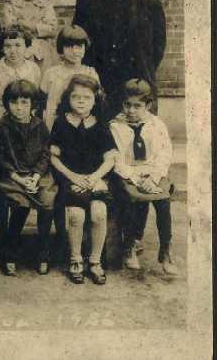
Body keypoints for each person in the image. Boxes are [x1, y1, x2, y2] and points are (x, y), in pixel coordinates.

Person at [72, 0, 167, 120]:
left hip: (138, 86)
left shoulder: (150, 1)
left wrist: (141, 76)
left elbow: (158, 47)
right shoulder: (87, 1)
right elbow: (79, 43)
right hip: (100, 86)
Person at [50, 75, 116, 285]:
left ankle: (95, 261)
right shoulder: (61, 123)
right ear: (68, 98)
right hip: (70, 178)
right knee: (76, 215)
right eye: (75, 96)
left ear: (95, 100)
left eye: (86, 97)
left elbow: (110, 159)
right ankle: (75, 259)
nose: (80, 101)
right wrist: (73, 177)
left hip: (95, 179)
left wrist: (95, 178)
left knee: (99, 212)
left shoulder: (101, 125)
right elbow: (54, 157)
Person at [109, 78, 178, 275]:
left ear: (148, 105)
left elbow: (165, 154)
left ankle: (166, 250)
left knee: (163, 201)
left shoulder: (157, 125)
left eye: (137, 106)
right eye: (127, 105)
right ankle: (130, 245)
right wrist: (137, 180)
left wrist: (153, 178)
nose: (131, 110)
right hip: (129, 173)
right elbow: (117, 159)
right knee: (132, 199)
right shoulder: (116, 126)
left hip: (153, 172)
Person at [0, 79, 56, 276]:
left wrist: (36, 176)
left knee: (47, 201)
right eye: (14, 103)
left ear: (33, 105)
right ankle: (10, 254)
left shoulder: (40, 126)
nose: (19, 108)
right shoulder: (2, 127)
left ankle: (43, 253)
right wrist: (19, 178)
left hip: (37, 175)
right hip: (11, 176)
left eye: (24, 103)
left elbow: (46, 154)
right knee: (20, 202)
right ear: (7, 104)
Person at [40, 25, 100, 132]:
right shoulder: (51, 73)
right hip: (55, 124)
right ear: (61, 48)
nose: (74, 51)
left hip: (82, 126)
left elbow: (97, 103)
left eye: (79, 47)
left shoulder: (90, 73)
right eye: (69, 46)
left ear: (85, 48)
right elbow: (41, 102)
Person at [4, 0, 58, 74]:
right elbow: (9, 28)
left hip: (44, 54)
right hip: (19, 52)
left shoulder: (45, 4)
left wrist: (25, 24)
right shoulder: (11, 4)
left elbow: (52, 29)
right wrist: (40, 28)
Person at [0, 24, 41, 124]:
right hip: (0, 123)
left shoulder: (33, 69)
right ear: (2, 48)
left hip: (26, 122)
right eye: (8, 46)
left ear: (26, 47)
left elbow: (35, 99)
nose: (12, 51)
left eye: (18, 45)